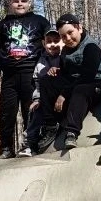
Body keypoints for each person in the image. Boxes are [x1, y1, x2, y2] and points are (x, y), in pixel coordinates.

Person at [0, 0, 51, 158]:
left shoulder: (40, 21)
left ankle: (30, 145)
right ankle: (6, 148)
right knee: (6, 113)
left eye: (23, 0)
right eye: (16, 1)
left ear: (29, 3)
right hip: (9, 75)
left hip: (31, 73)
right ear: (10, 3)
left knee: (30, 110)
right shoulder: (3, 24)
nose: (20, 4)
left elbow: (51, 43)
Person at [55, 14, 101, 150]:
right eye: (63, 36)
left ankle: (72, 132)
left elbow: (87, 76)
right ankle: (49, 125)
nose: (68, 38)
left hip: (97, 85)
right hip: (75, 85)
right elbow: (65, 75)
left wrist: (64, 94)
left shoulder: (91, 47)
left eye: (70, 32)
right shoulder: (65, 52)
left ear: (79, 28)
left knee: (81, 90)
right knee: (48, 81)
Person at [18, 29, 65, 157]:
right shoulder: (40, 62)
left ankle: (53, 129)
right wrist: (37, 99)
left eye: (56, 41)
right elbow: (38, 84)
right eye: (49, 41)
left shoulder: (66, 57)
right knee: (36, 110)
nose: (53, 44)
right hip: (45, 99)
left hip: (63, 96)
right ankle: (30, 144)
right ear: (44, 44)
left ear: (62, 42)